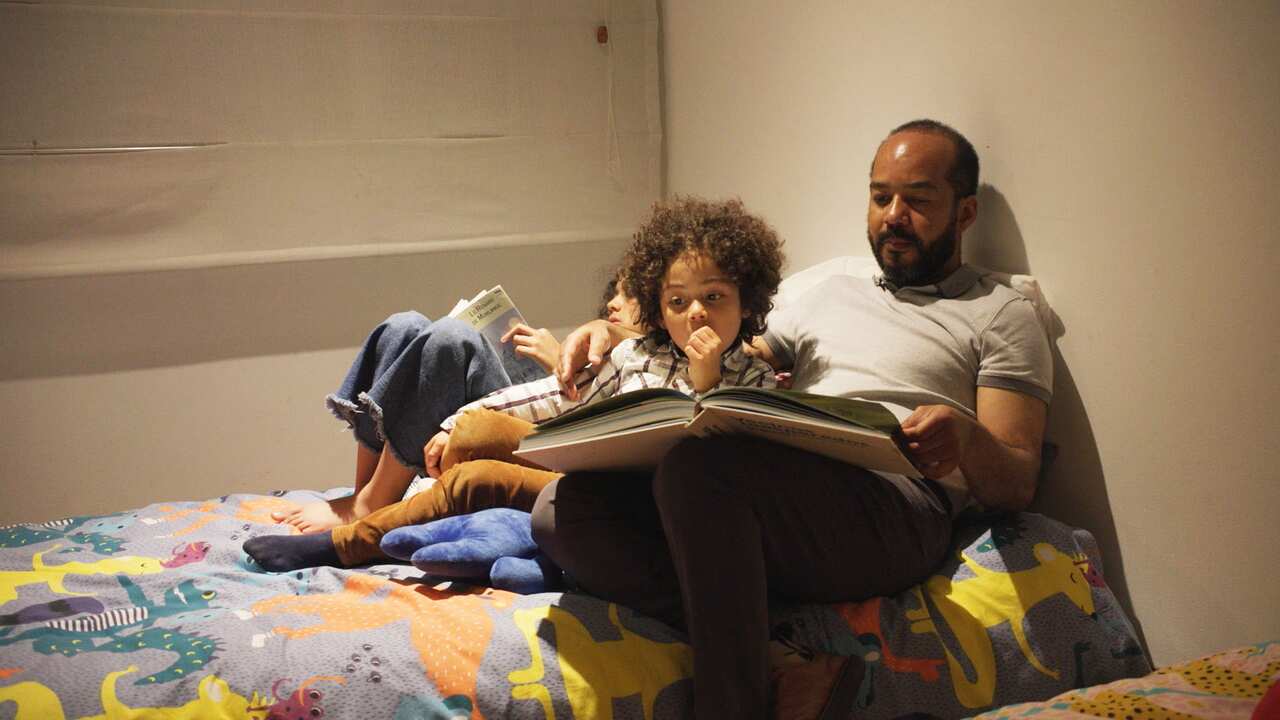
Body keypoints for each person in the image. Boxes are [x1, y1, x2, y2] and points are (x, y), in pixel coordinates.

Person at [535, 119, 1053, 720]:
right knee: (563, 509)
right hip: (788, 481)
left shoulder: (1001, 313)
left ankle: (731, 706)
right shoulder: (825, 286)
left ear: (964, 214)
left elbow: (1018, 479)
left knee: (699, 473)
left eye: (917, 199)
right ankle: (778, 653)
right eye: (881, 195)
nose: (892, 214)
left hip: (896, 503)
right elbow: (720, 340)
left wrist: (964, 438)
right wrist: (611, 329)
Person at [245, 196, 782, 571]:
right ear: (659, 308)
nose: (696, 315)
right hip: (583, 472)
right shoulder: (637, 352)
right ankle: (488, 539)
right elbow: (556, 398)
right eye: (677, 301)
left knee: (475, 477)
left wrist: (706, 378)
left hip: (633, 506)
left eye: (715, 298)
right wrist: (456, 421)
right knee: (474, 435)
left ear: (747, 301)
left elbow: (721, 467)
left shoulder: (754, 378)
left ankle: (347, 544)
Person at [270, 270, 638, 534]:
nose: (612, 303)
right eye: (616, 292)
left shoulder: (655, 365)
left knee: (451, 339)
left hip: (536, 437)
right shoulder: (610, 344)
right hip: (533, 405)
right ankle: (365, 491)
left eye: (630, 295)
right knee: (406, 325)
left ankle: (369, 507)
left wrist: (558, 358)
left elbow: (590, 430)